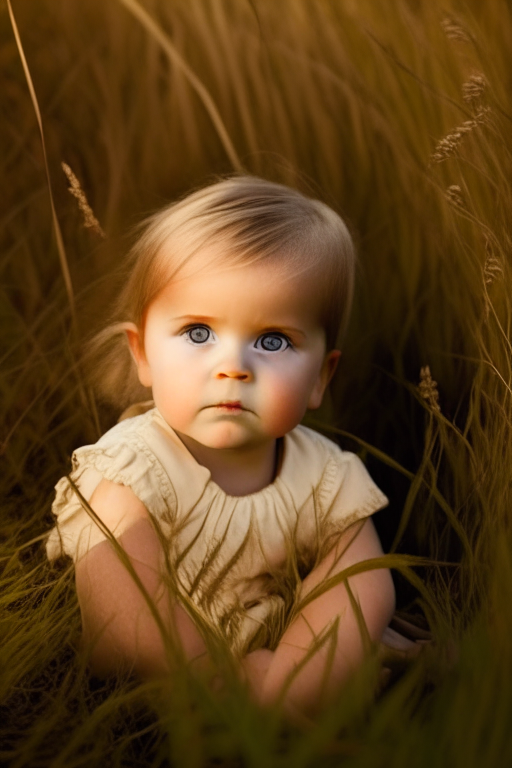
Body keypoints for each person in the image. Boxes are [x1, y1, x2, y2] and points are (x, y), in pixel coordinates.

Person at [46, 175, 398, 721]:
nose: (233, 366)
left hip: (270, 655)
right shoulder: (131, 470)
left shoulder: (326, 475)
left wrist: (287, 682)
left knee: (359, 639)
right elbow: (121, 623)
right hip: (164, 666)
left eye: (273, 340)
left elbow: (363, 585)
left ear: (320, 379)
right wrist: (225, 684)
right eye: (197, 332)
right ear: (142, 354)